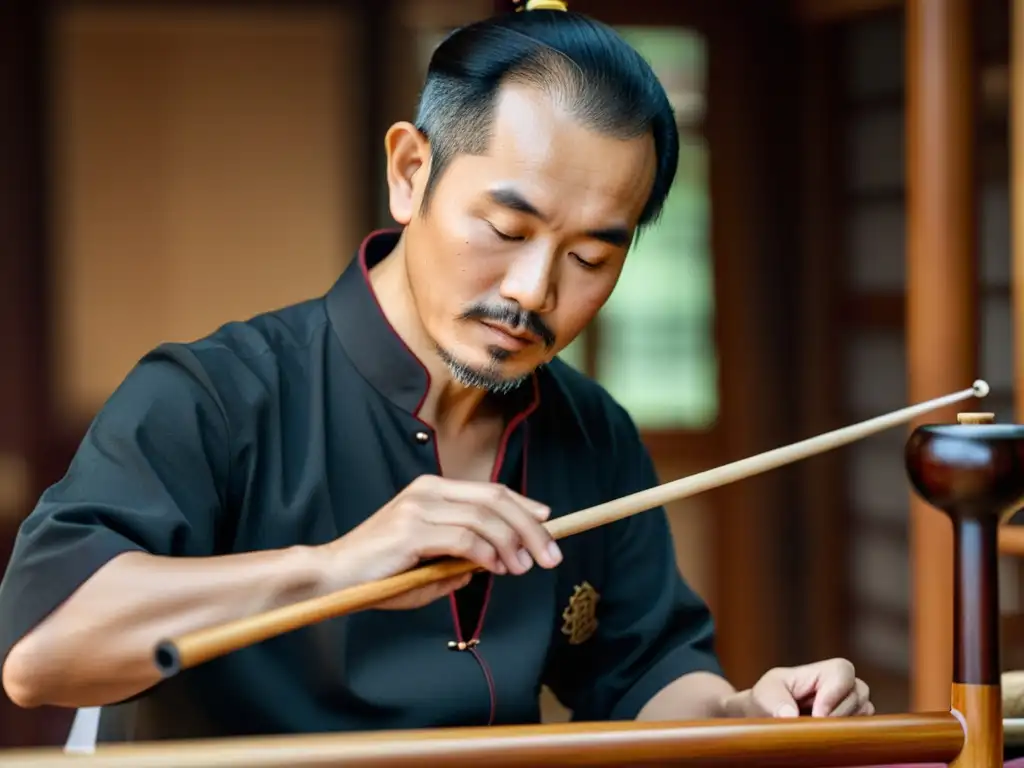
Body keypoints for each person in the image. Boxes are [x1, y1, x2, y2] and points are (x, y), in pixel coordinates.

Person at [0, 0, 873, 742]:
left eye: (592, 256)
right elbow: (41, 656)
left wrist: (744, 710)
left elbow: (646, 677)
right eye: (506, 229)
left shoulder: (590, 429)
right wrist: (337, 567)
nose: (534, 291)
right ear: (412, 172)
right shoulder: (216, 396)